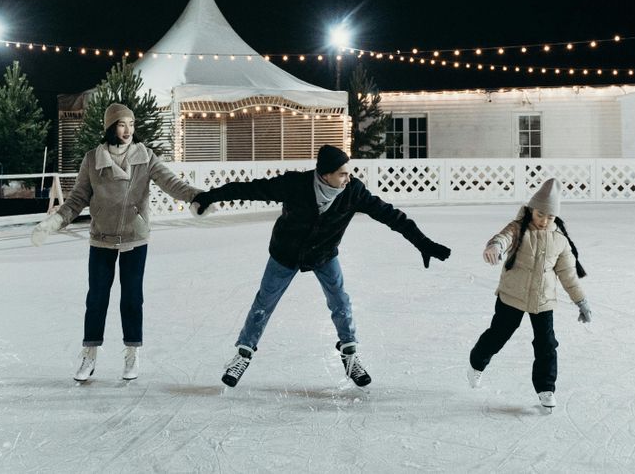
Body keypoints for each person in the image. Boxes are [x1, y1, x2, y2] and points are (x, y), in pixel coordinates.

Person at [191, 144, 453, 388]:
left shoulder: (353, 192)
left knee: (340, 300)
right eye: (342, 174)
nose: (347, 178)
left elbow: (392, 216)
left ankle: (350, 356)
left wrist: (423, 243)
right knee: (264, 303)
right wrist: (209, 197)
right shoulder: (295, 184)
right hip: (286, 253)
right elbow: (249, 189)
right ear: (325, 175)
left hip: (324, 254)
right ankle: (243, 355)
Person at [31, 103, 202, 383]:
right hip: (102, 238)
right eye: (122, 125)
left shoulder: (145, 157)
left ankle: (132, 352)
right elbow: (77, 199)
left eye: (132, 125)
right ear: (111, 127)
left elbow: (172, 183)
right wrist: (54, 222)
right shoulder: (92, 159)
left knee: (132, 298)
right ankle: (89, 354)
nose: (128, 130)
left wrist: (197, 196)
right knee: (97, 298)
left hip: (135, 237)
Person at [467, 178, 590, 409]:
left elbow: (568, 275)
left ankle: (546, 389)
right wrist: (494, 246)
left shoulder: (560, 240)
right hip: (512, 295)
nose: (544, 221)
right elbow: (503, 238)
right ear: (532, 209)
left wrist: (581, 301)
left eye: (550, 217)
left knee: (546, 345)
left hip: (542, 300)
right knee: (498, 335)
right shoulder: (518, 228)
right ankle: (476, 363)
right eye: (540, 214)